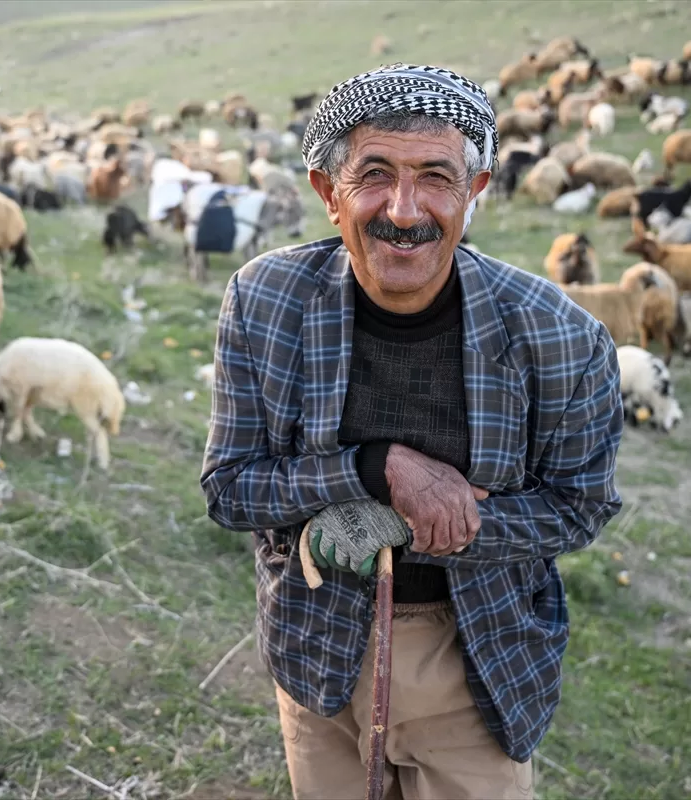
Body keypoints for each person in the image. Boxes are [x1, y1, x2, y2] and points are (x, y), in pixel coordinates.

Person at [200, 63, 624, 799]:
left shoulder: (561, 337)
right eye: (374, 174)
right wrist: (372, 469)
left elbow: (580, 506)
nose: (403, 208)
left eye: (436, 175)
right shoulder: (264, 302)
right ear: (328, 193)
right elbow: (229, 489)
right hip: (316, 649)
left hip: (475, 663)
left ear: (476, 192)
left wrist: (413, 527)